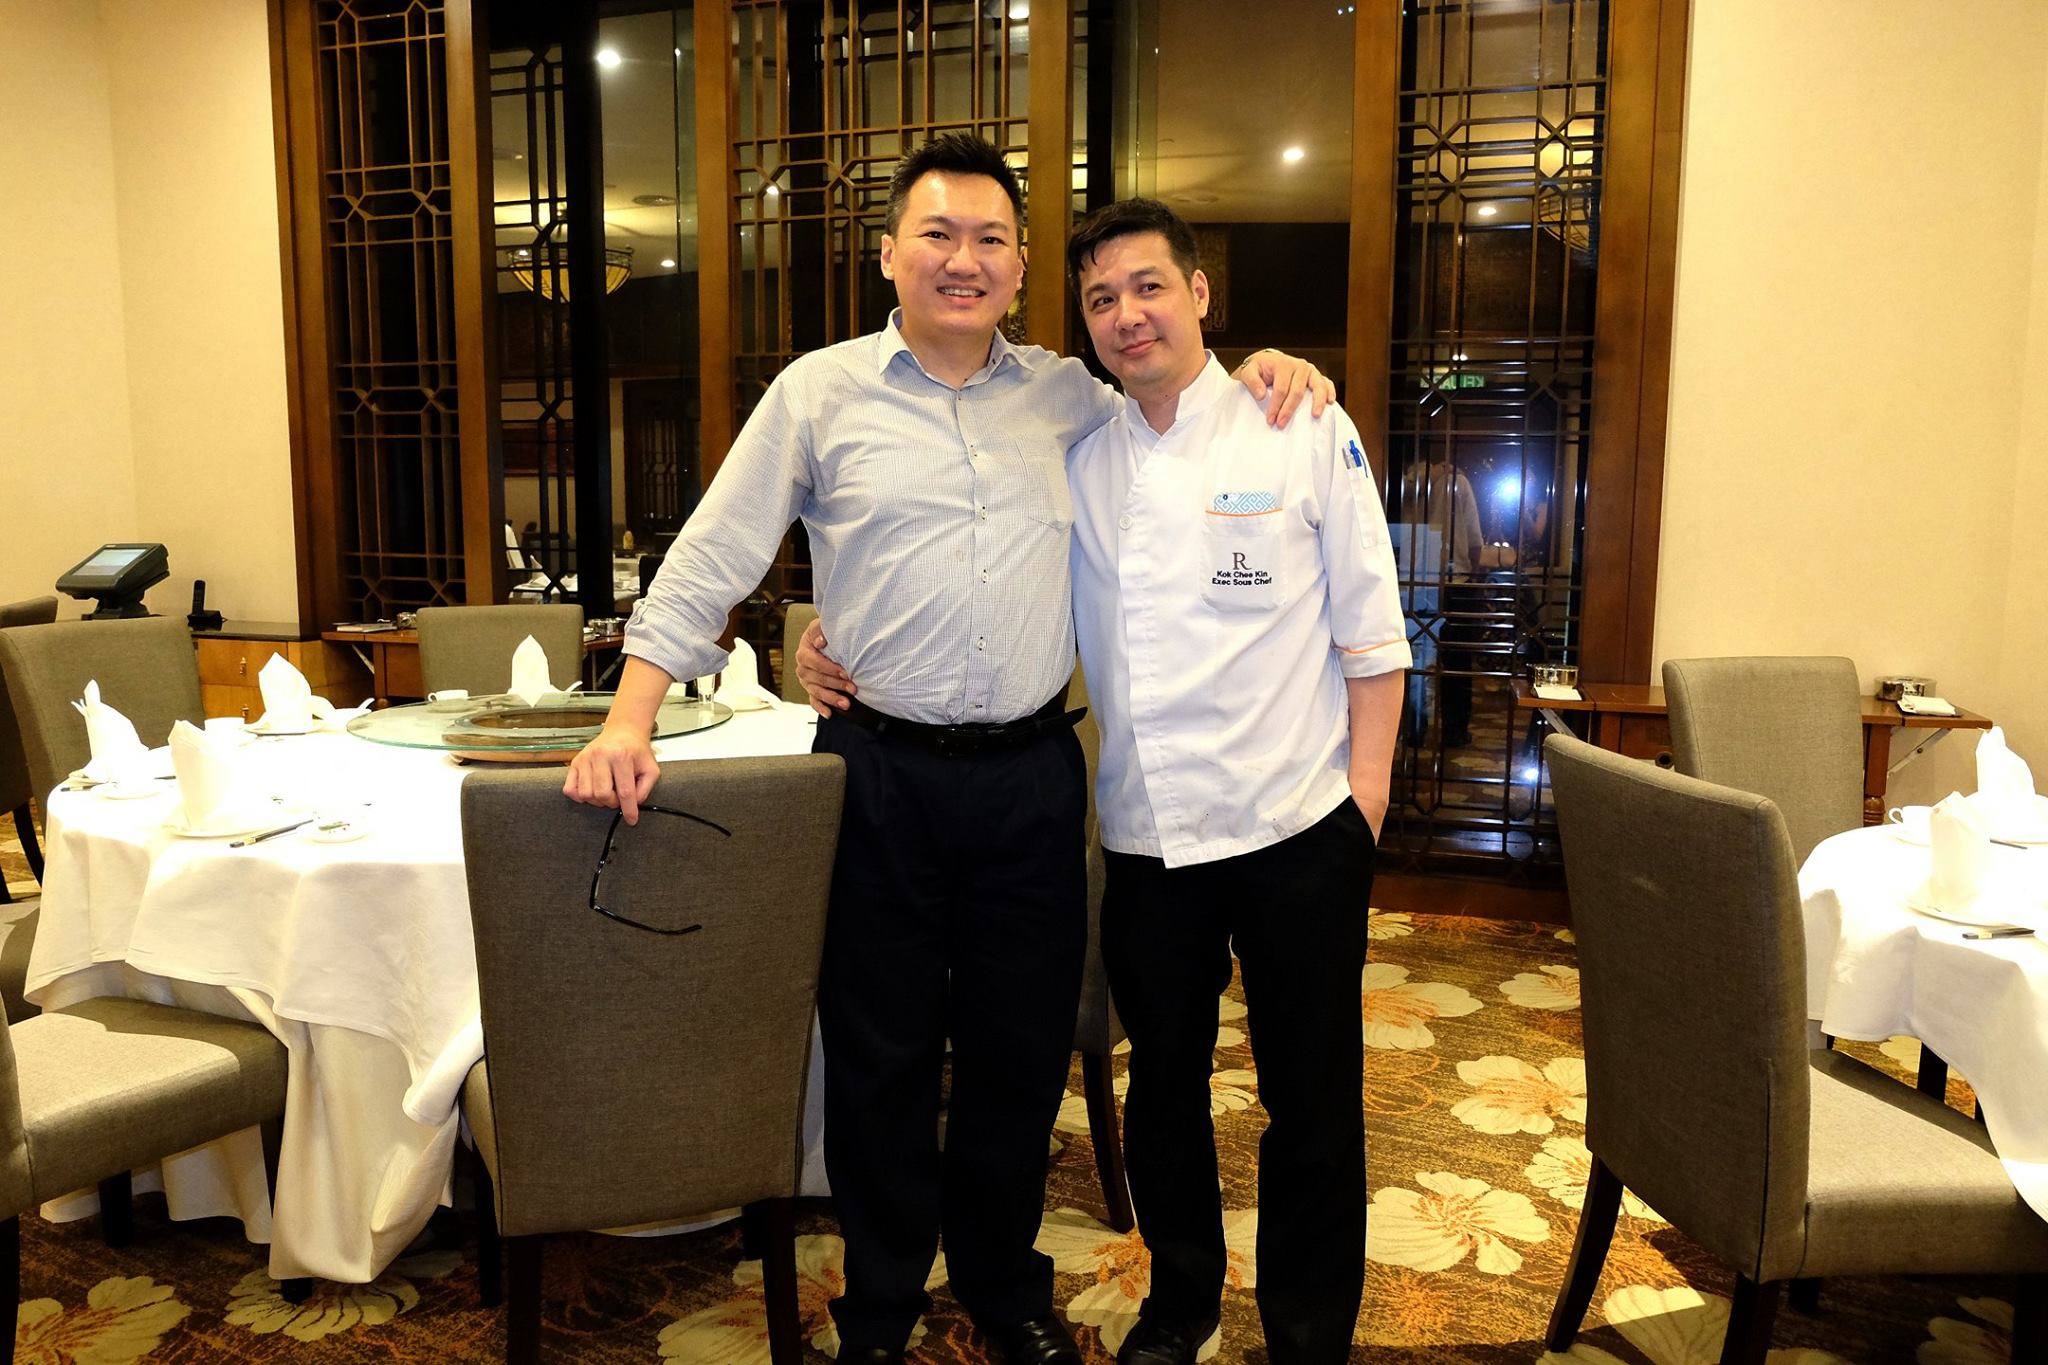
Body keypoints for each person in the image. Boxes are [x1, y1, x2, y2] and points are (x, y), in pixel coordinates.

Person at [562, 135, 1330, 1365]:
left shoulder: (1070, 397)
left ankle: (1002, 1285)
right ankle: (877, 1301)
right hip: (877, 773)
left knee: (1019, 1052)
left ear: (1019, 268)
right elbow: (713, 554)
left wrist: (1270, 370)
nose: (961, 260)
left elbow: (1182, 402)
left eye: (988, 240)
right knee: (880, 1050)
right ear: (888, 255)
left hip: (1030, 779)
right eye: (936, 234)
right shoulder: (816, 394)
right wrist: (628, 714)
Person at [800, 198, 1407, 1365]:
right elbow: (968, 565)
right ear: (1082, 323)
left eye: (1147, 287)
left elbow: (1371, 639)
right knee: (1162, 1093)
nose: (1127, 315)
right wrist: (831, 640)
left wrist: (1362, 810)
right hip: (1145, 837)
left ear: (1199, 294)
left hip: (1295, 825)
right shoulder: (1079, 454)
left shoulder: (1295, 425)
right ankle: (1178, 1304)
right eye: (1099, 299)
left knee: (1310, 1103)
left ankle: (1308, 1336)